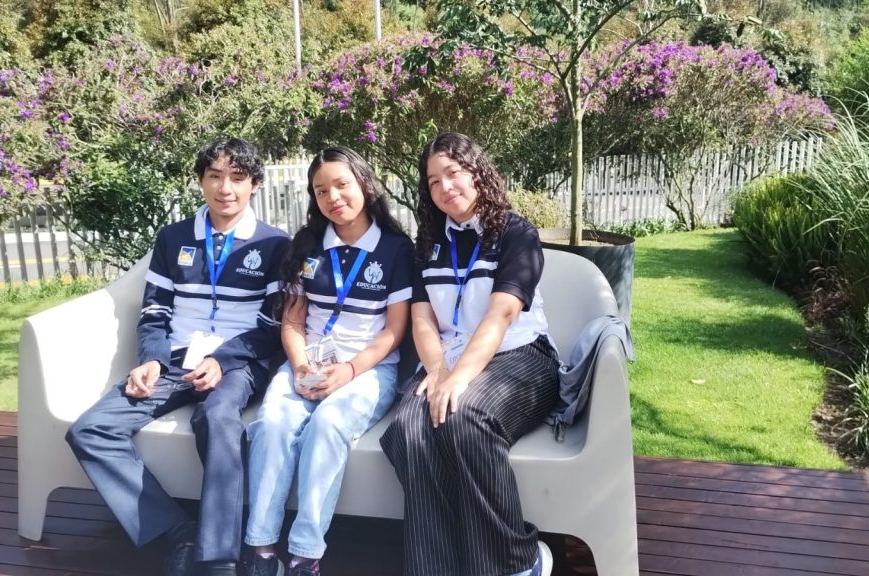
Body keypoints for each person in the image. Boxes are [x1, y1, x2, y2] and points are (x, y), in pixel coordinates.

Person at [65, 137, 290, 576]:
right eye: (214, 176)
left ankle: (219, 558)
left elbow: (272, 325)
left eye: (237, 178)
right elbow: (155, 311)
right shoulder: (174, 238)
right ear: (200, 181)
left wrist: (223, 359)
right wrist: (150, 358)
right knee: (91, 430)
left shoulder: (275, 244)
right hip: (174, 360)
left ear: (255, 184)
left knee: (218, 417)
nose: (225, 188)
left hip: (237, 361)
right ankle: (176, 531)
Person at [380, 132, 559, 576]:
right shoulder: (427, 242)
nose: (445, 187)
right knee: (408, 428)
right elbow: (422, 318)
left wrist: (458, 379)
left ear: (478, 172)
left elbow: (501, 314)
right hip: (448, 360)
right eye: (433, 181)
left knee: (465, 416)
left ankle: (518, 561)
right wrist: (439, 369)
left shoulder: (516, 232)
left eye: (453, 173)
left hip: (520, 356)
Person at [241, 147, 413, 576]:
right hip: (306, 361)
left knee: (328, 424)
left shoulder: (395, 249)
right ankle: (261, 551)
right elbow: (292, 321)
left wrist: (349, 371)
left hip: (368, 369)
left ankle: (305, 555)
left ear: (364, 185)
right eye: (321, 191)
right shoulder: (306, 245)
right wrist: (300, 366)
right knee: (272, 425)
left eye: (341, 185)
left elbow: (395, 331)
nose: (332, 197)